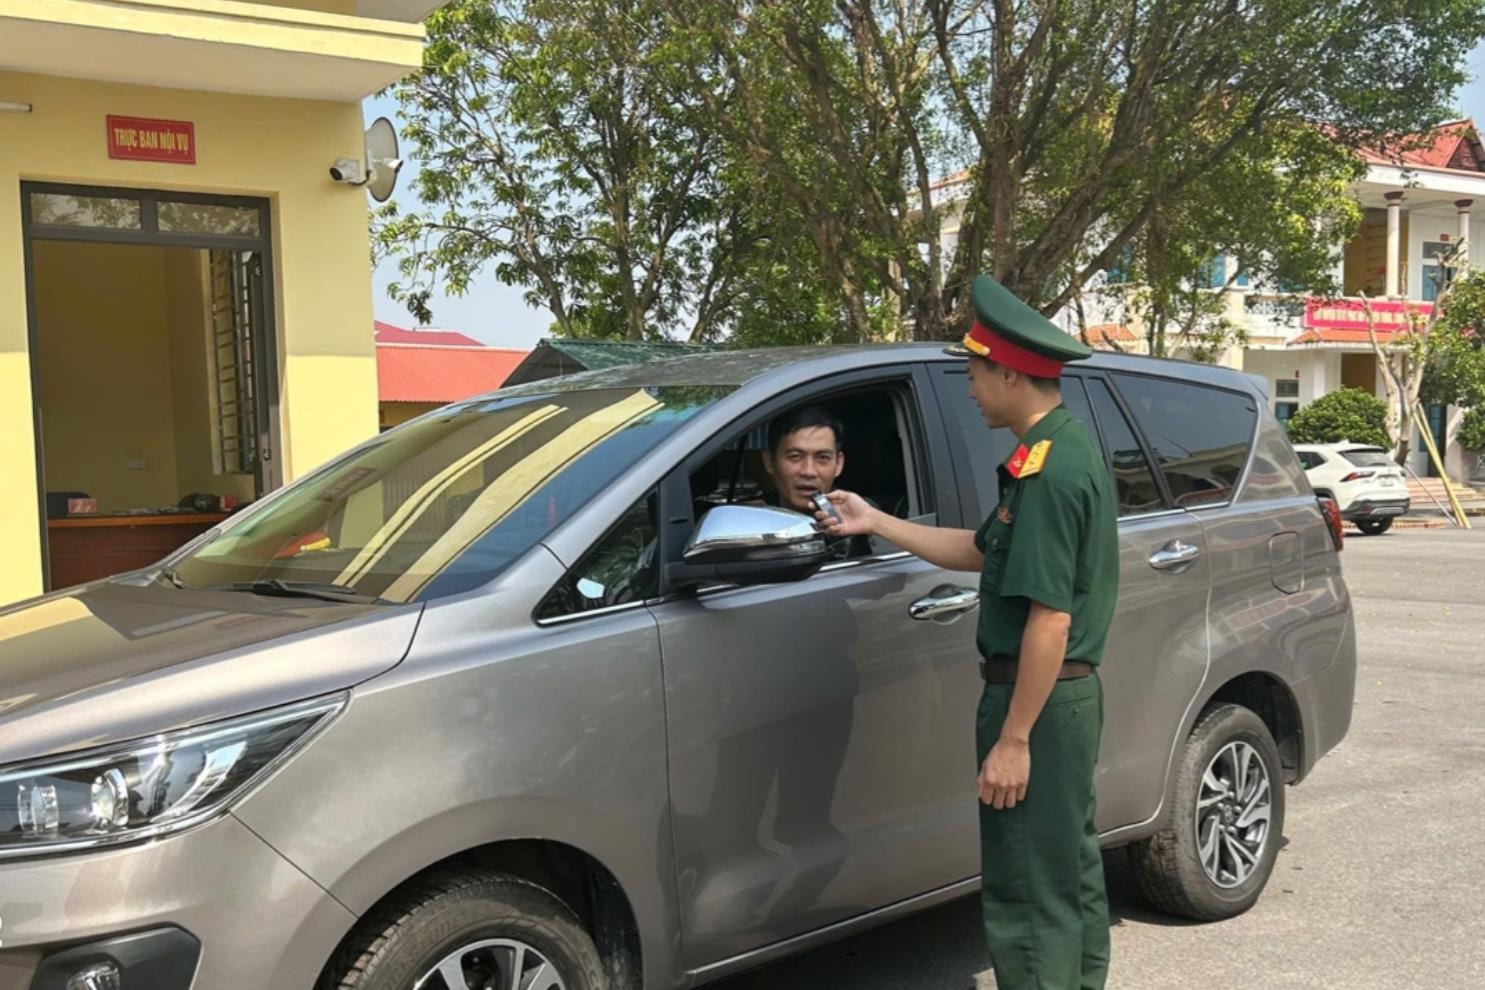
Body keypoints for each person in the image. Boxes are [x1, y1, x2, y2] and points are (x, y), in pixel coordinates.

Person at [819, 273, 1120, 989]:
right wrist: (878, 521)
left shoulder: (1047, 472)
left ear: (1009, 373)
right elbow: (983, 551)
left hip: (1035, 703)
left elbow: (1049, 618)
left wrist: (1013, 740)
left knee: (1027, 885)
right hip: (1057, 702)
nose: (969, 389)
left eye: (974, 374)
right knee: (1064, 870)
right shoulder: (1052, 451)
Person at [762, 406, 873, 560]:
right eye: (795, 456)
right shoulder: (753, 521)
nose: (809, 471)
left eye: (822, 458)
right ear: (769, 461)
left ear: (838, 464)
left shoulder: (861, 519)